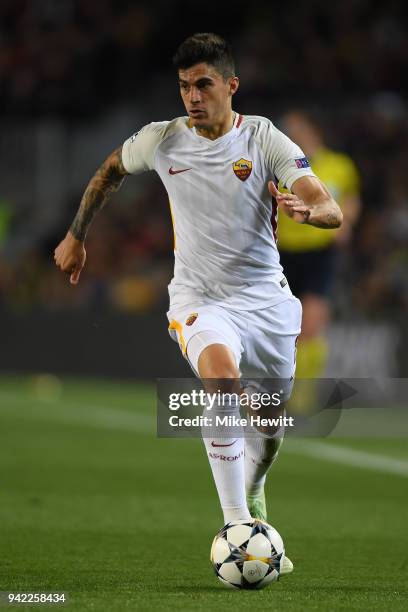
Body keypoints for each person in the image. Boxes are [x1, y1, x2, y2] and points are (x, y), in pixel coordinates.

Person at [54, 33, 342, 576]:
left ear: (231, 86)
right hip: (199, 299)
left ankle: (254, 487)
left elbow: (328, 205)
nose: (192, 95)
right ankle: (236, 522)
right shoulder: (162, 140)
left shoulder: (262, 138)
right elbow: (108, 171)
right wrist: (76, 236)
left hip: (266, 303)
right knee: (221, 381)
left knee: (270, 426)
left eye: (204, 84)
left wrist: (309, 214)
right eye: (185, 86)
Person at [278, 111, 361, 384]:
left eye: (295, 128)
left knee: (312, 325)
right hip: (281, 253)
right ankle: (276, 387)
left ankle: (302, 395)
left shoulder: (339, 165)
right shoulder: (278, 165)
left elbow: (350, 198)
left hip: (319, 253)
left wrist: (346, 222)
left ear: (313, 129)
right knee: (280, 328)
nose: (290, 133)